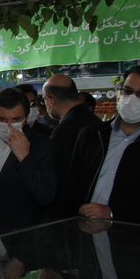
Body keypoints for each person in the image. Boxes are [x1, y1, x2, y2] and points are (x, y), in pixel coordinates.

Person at [65, 64, 140, 224]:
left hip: (135, 235)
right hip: (84, 230)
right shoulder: (91, 135)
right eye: (127, 91)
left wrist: (113, 212)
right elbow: (71, 189)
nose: (132, 99)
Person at [0, 87, 56, 233]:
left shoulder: (42, 145)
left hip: (20, 234)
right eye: (2, 119)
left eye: (16, 120)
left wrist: (24, 158)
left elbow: (45, 196)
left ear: (25, 117)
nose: (8, 125)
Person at [42, 74, 101, 218]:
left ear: (50, 100)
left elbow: (58, 175)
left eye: (44, 100)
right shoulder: (95, 121)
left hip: (72, 209)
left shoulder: (65, 130)